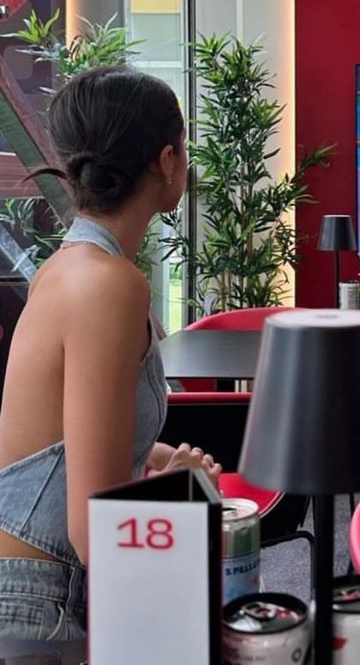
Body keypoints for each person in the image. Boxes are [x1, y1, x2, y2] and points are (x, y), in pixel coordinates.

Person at [0, 67, 222, 640]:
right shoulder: (109, 285)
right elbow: (95, 530)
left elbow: (66, 442)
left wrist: (154, 457)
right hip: (40, 605)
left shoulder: (72, 265)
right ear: (168, 161)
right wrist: (180, 486)